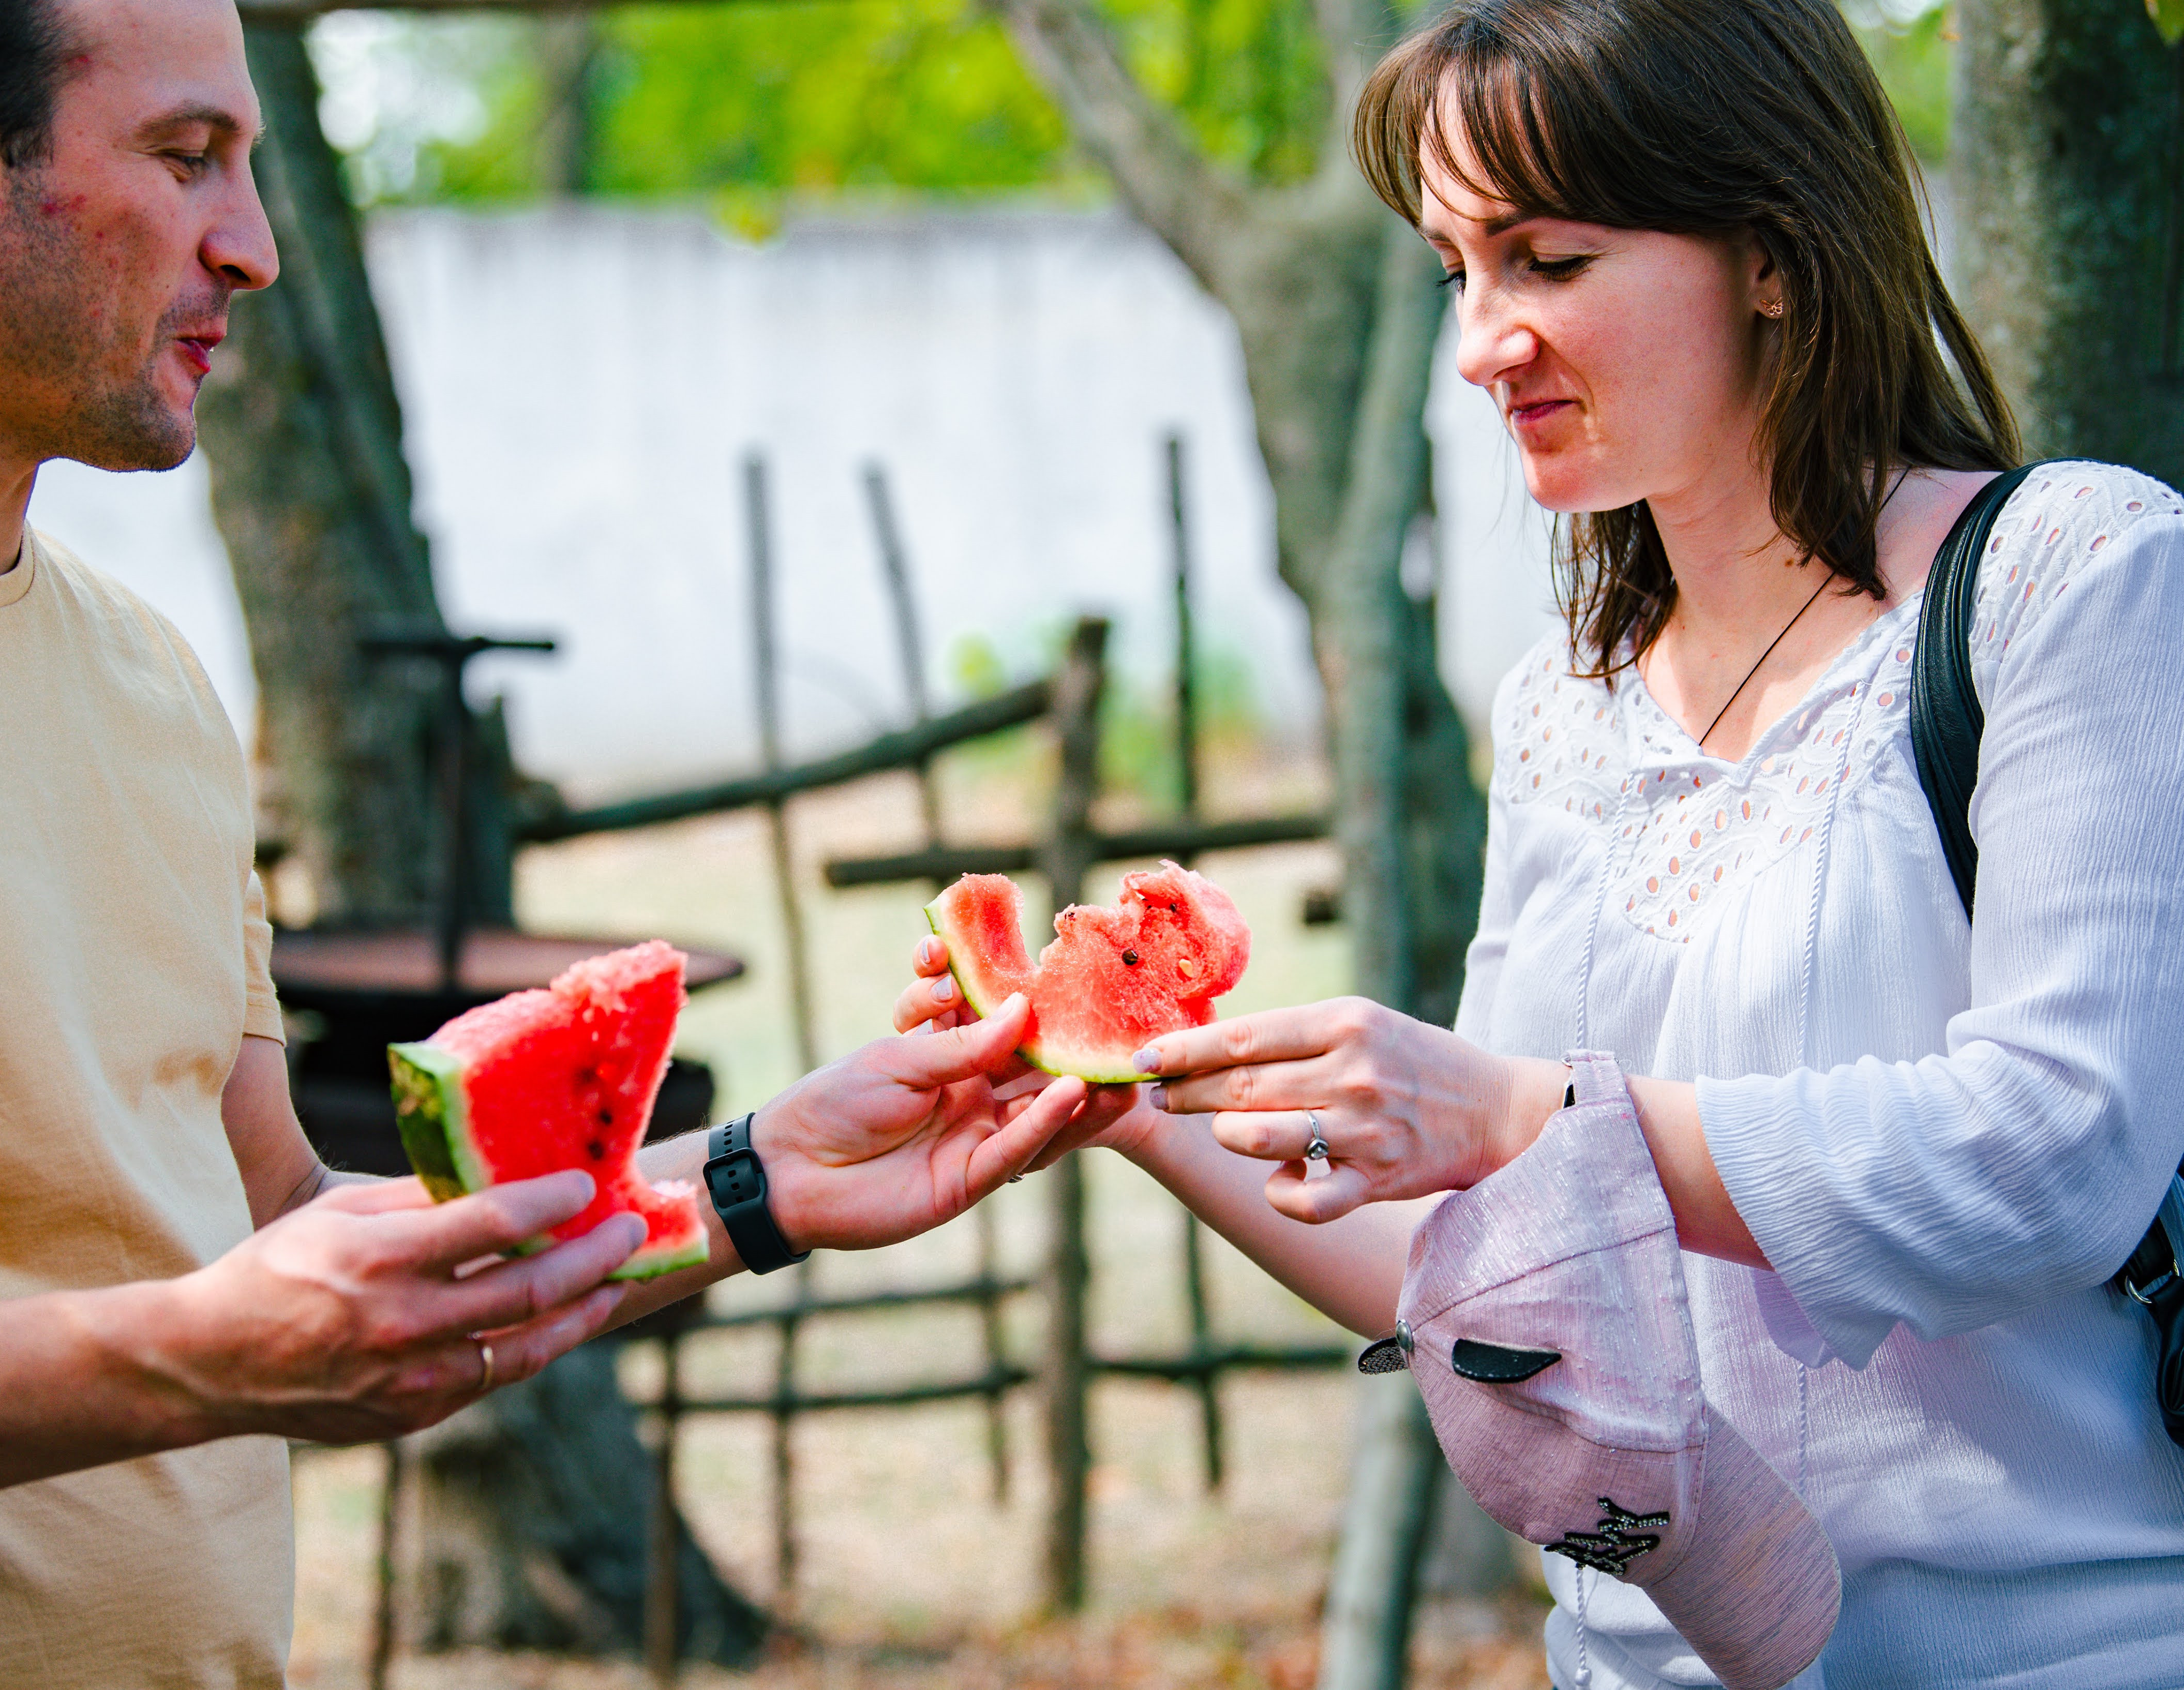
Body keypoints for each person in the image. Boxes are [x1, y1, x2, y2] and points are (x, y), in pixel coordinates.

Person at [0, 2, 1129, 1684]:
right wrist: (180, 1360)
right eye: (187, 156)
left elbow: (282, 1247)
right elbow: (205, 1339)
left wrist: (745, 1180)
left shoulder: (143, 679)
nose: (258, 249)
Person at [904, 1, 2184, 1683]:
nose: (1480, 343)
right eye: (1458, 272)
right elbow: (1490, 1266)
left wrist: (1533, 1114)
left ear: (1775, 255)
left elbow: (2056, 1156)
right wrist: (1137, 1113)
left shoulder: (2073, 576)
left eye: (1547, 261)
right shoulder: (1562, 712)